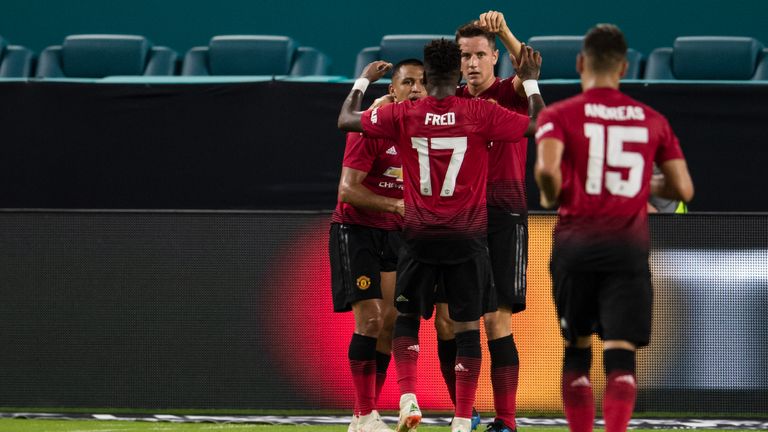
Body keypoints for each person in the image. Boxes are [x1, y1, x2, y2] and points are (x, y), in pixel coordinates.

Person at [338, 38, 544, 432]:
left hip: (417, 235)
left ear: (427, 77)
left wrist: (363, 84)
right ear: (457, 75)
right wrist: (531, 82)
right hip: (468, 236)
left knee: (406, 319)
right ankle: (464, 419)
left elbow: (346, 118)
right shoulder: (479, 111)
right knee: (468, 327)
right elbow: (538, 125)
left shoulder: (404, 114)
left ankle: (407, 396)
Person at [534, 24, 694, 432]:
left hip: (575, 248)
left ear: (580, 63)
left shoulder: (557, 115)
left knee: (577, 351)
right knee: (621, 356)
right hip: (627, 249)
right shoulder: (652, 120)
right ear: (624, 67)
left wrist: (553, 192)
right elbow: (684, 188)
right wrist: (641, 182)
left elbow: (548, 173)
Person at [433, 13, 533, 432]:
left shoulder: (512, 93)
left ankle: (505, 422)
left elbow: (529, 65)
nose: (472, 63)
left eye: (479, 54)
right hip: (457, 219)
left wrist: (505, 32)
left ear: (495, 57)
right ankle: (464, 414)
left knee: (496, 320)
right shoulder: (448, 101)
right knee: (448, 320)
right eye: (464, 56)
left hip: (504, 215)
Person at [330, 59, 426, 432]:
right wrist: (397, 205)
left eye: (422, 83)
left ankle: (361, 417)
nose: (415, 89)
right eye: (407, 82)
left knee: (390, 323)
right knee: (369, 319)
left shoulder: (427, 129)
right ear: (392, 89)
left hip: (396, 233)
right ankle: (366, 415)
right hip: (355, 229)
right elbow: (347, 190)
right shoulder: (371, 125)